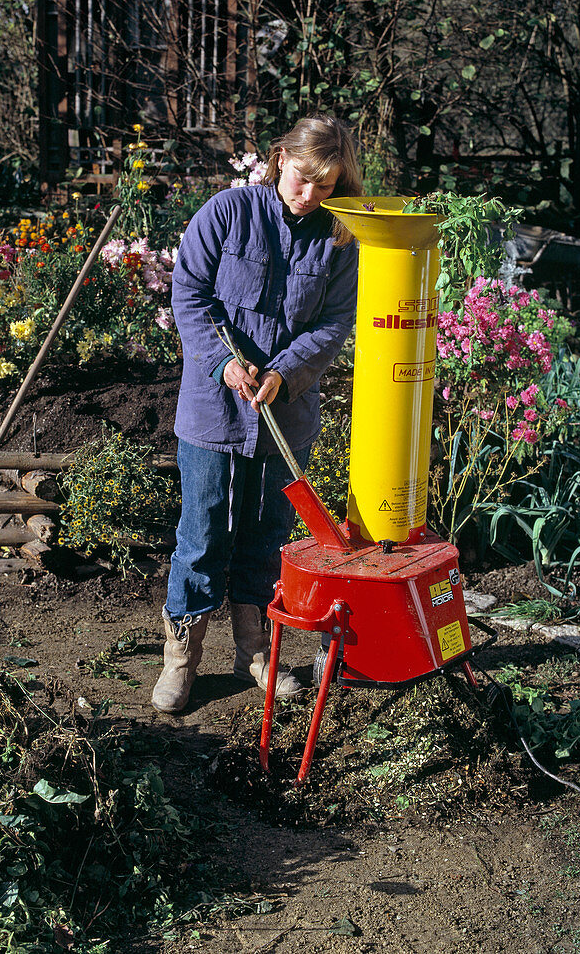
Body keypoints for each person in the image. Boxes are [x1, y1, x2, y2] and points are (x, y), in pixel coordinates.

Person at [151, 114, 362, 714]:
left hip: (284, 416)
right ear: (279, 159)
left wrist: (284, 373)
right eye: (302, 178)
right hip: (213, 410)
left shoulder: (339, 239)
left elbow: (333, 323)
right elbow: (188, 293)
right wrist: (223, 362)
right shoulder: (227, 212)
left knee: (267, 536)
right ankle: (181, 660)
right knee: (201, 534)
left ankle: (255, 653)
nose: (310, 195)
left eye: (325, 186)